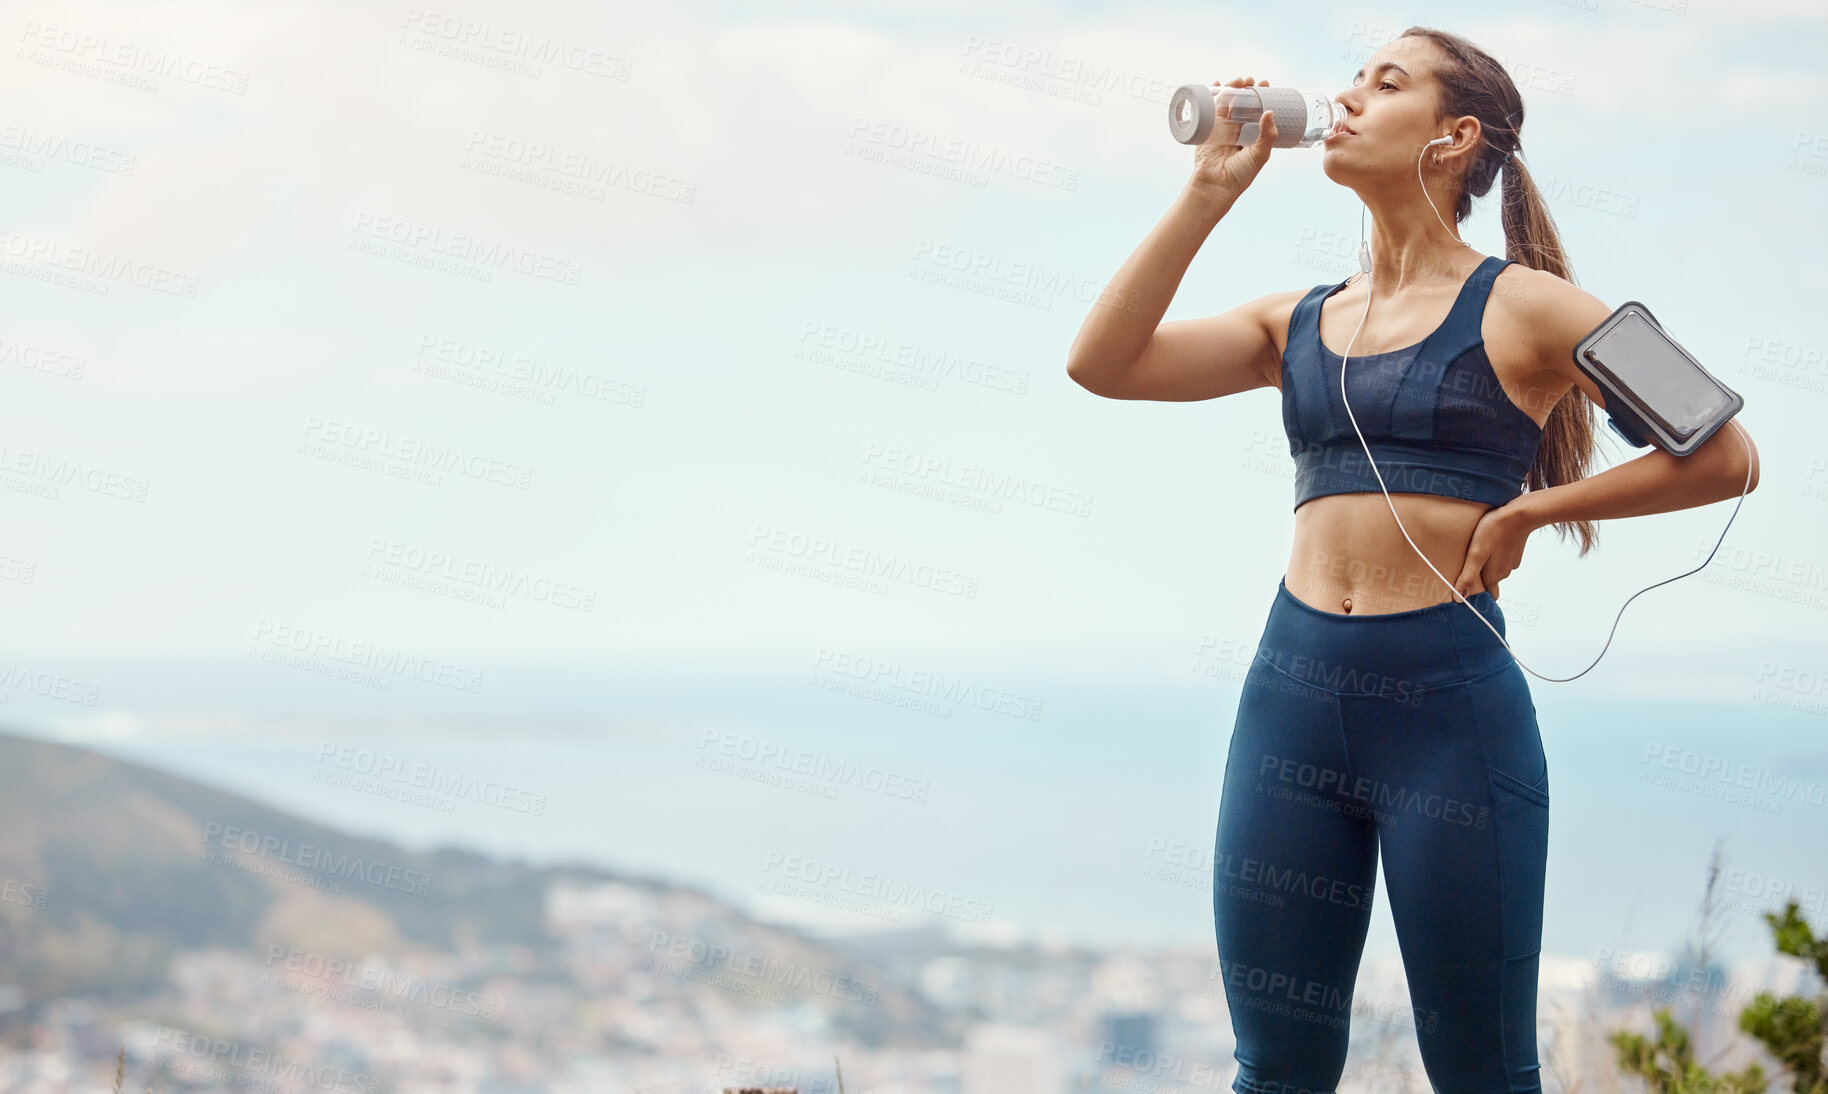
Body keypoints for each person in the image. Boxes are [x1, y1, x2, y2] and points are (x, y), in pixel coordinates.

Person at [1065, 25, 1760, 1094]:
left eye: (1383, 83)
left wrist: (1537, 512)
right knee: (1275, 1068)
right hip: (1287, 700)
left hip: (1448, 720)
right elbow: (1101, 363)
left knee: (1481, 1072)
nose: (1344, 98)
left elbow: (1723, 450)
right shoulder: (1293, 321)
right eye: (1349, 78)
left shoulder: (1525, 304)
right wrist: (1210, 189)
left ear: (1452, 136)